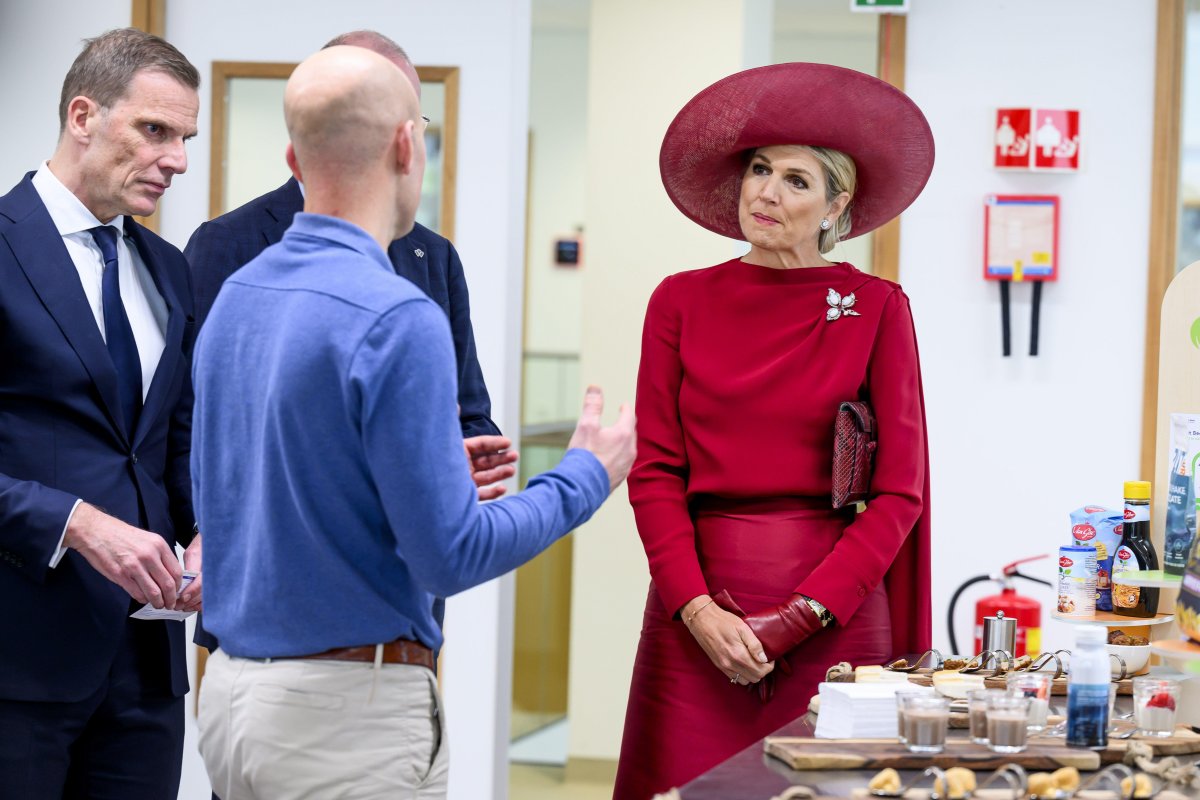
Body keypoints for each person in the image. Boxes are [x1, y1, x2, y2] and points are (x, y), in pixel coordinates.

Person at [192, 45, 636, 799]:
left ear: (295, 155)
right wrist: (584, 477)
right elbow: (450, 556)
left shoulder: (240, 290)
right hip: (345, 722)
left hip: (233, 702)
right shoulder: (396, 314)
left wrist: (413, 468)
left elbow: (256, 483)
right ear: (408, 145)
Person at [614, 62, 935, 797]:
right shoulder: (679, 302)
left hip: (835, 618)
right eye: (760, 169)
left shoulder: (877, 307)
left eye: (797, 179)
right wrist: (695, 608)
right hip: (696, 614)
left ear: (836, 204)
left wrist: (797, 618)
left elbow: (899, 495)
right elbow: (656, 470)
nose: (766, 191)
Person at [0, 28, 202, 798]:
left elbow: (173, 443)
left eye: (184, 138)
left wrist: (204, 534)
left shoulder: (169, 270)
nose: (177, 160)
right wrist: (75, 523)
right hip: (18, 662)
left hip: (148, 675)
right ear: (83, 115)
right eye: (155, 131)